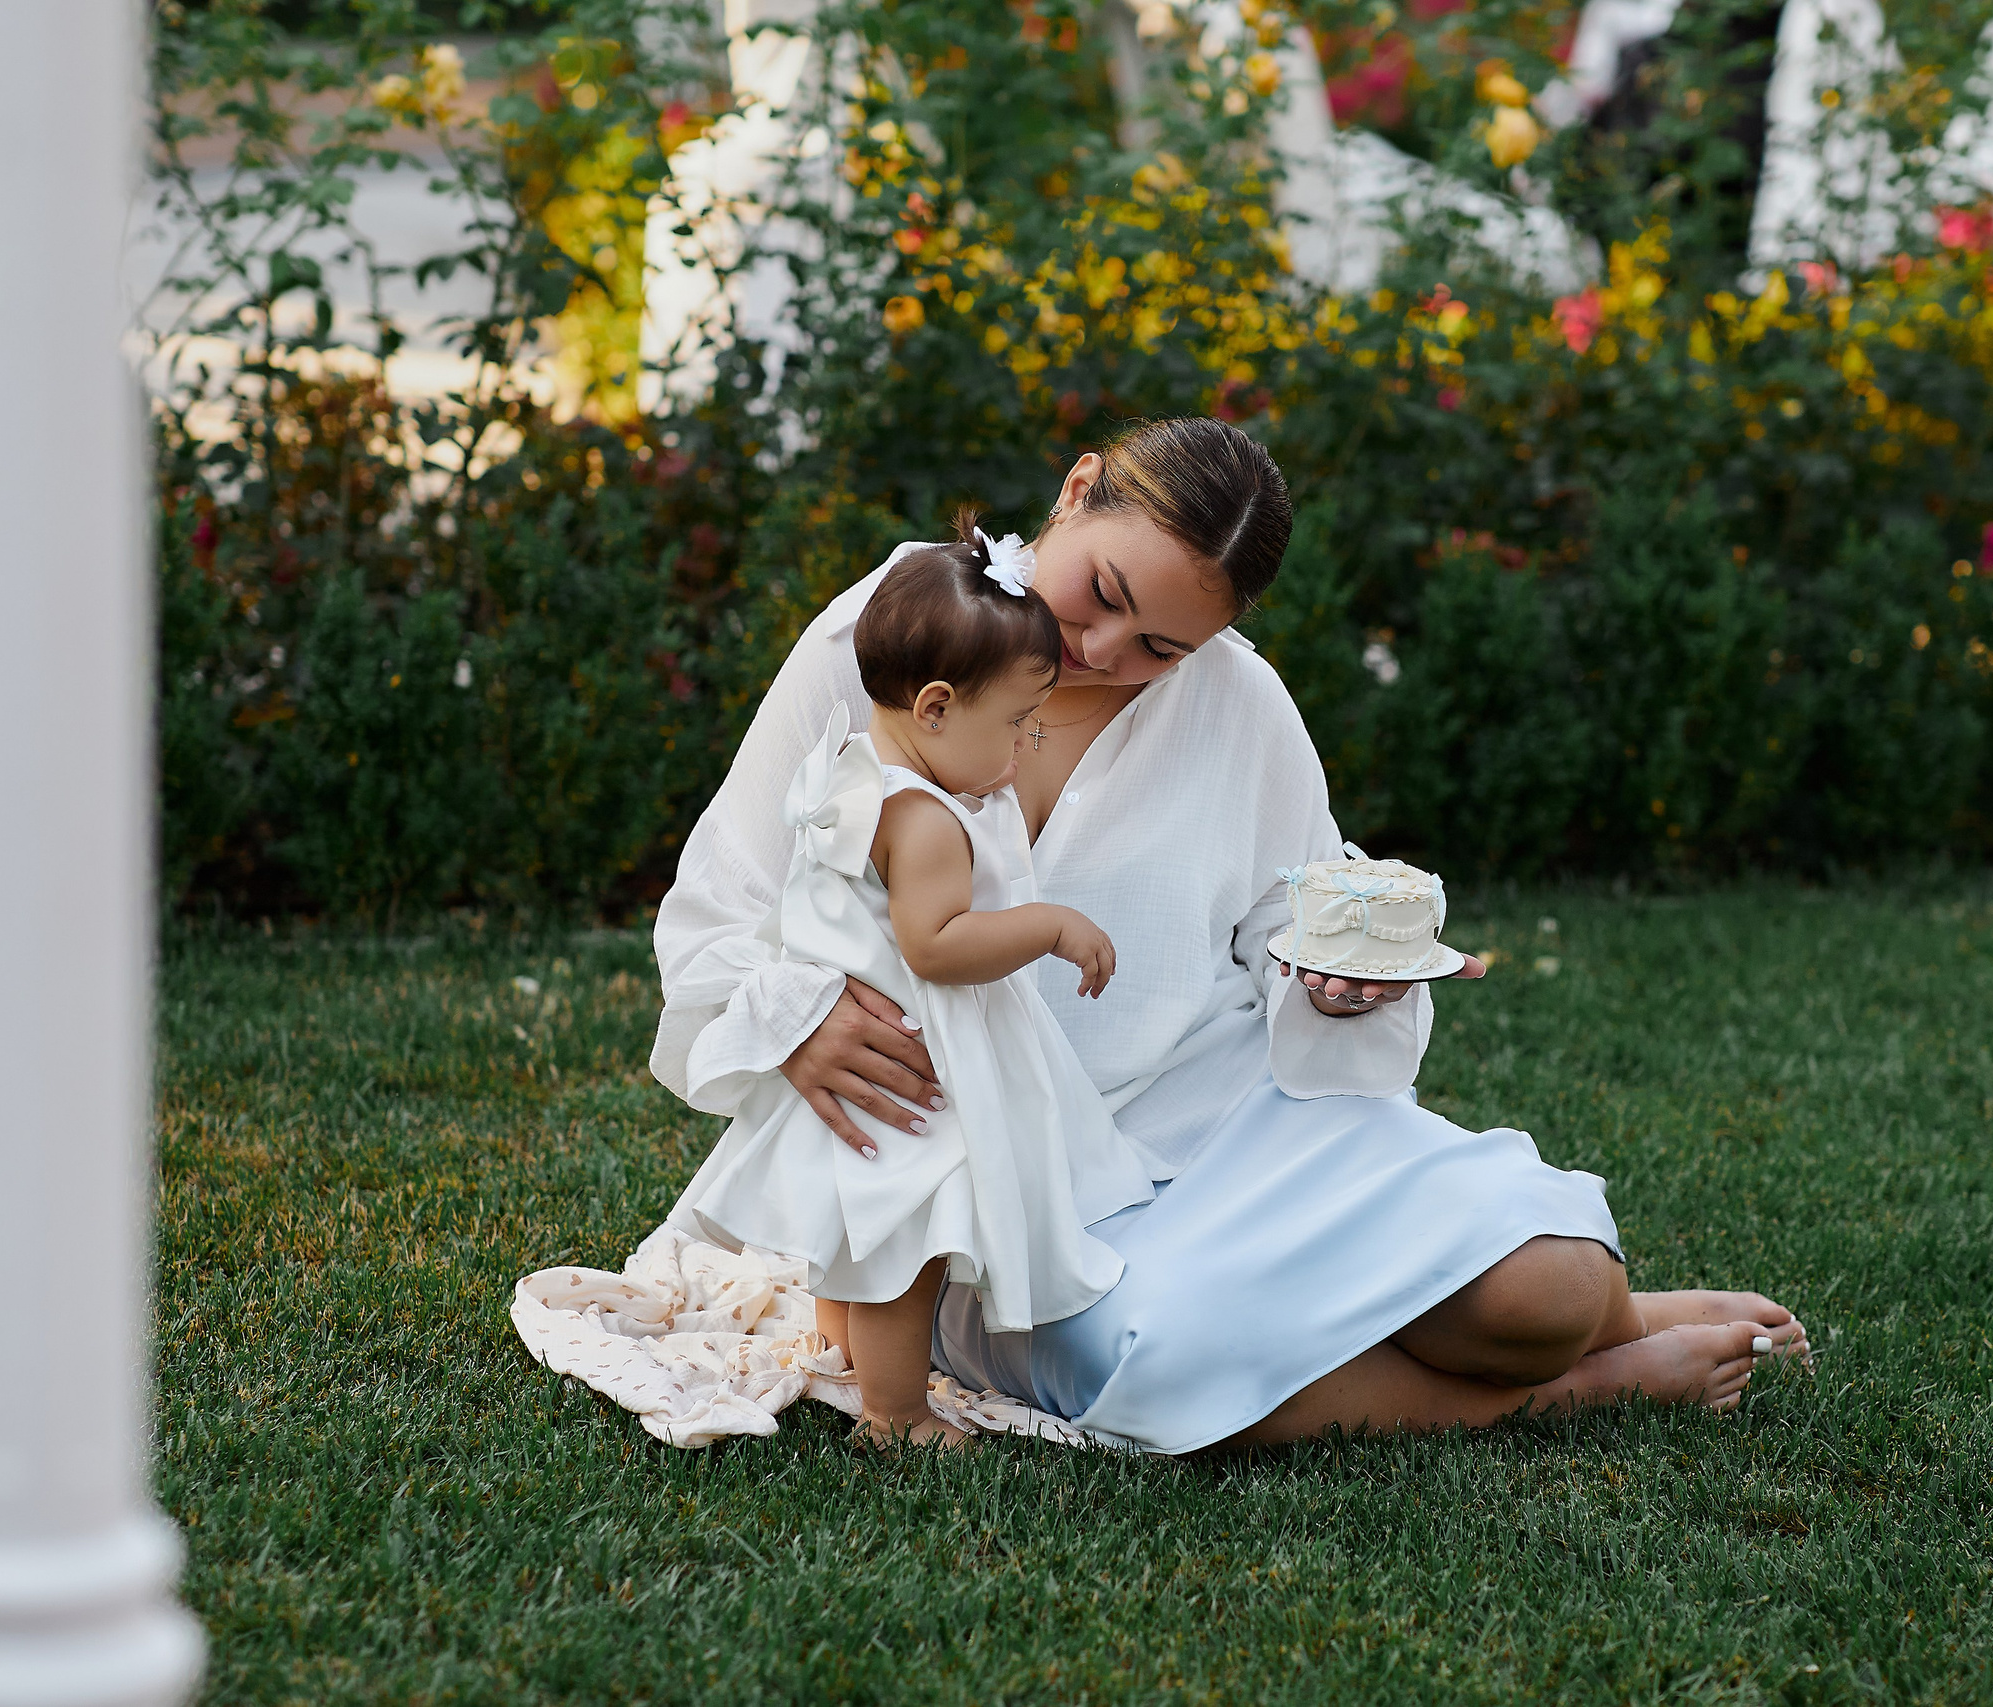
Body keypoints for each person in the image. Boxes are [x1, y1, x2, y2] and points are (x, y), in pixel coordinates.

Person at [651, 416, 1807, 1454]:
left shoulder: (1239, 702)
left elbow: (1290, 918)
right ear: (1075, 490)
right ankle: (1571, 1392)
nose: (1106, 651)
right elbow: (720, 904)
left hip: (1219, 1120)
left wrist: (1336, 985)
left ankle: (1602, 1321)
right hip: (981, 1179)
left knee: (1550, 1288)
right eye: (1102, 592)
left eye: (1163, 645)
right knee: (1167, 1362)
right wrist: (797, 1023)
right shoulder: (887, 639)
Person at [667, 521, 1154, 1447]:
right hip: (914, 1065)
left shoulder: (851, 769)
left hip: (860, 1048)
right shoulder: (928, 821)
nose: (1024, 747)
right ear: (935, 707)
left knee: (857, 1229)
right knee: (905, 1254)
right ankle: (896, 1415)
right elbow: (936, 945)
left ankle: (838, 1355)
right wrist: (1051, 926)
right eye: (1015, 723)